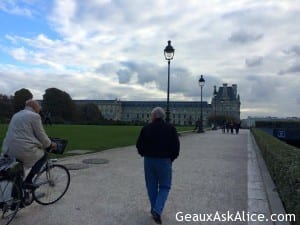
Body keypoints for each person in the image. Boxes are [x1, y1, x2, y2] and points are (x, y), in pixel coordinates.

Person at [136, 107, 180, 224]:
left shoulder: (146, 128)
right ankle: (157, 209)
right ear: (162, 116)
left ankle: (154, 209)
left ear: (154, 116)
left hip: (149, 160)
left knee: (151, 185)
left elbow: (139, 145)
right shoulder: (170, 128)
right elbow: (176, 147)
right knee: (165, 186)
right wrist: (171, 158)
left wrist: (144, 154)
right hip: (164, 160)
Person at [1, 99, 56, 189]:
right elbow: (41, 135)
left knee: (18, 173)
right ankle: (29, 181)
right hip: (22, 149)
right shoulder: (35, 116)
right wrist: (50, 144)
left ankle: (18, 197)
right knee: (44, 156)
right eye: (39, 107)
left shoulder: (16, 114)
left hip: (8, 148)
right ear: (34, 107)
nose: (39, 109)